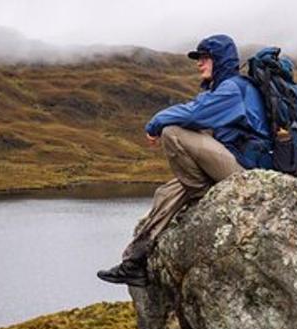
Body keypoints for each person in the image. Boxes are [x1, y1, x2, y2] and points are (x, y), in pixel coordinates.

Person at [97, 34, 272, 287]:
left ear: (220, 60)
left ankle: (201, 193)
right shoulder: (223, 89)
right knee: (166, 193)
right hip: (238, 162)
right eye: (198, 58)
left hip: (250, 172)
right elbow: (200, 115)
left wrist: (156, 121)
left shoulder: (233, 88)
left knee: (172, 132)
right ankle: (134, 262)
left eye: (204, 58)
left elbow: (195, 115)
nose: (199, 64)